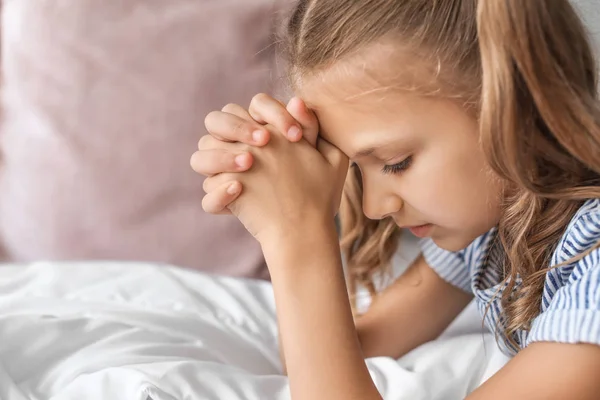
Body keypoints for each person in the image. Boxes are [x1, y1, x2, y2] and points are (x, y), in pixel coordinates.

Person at [190, 0, 600, 398]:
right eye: (354, 168)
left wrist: (297, 233)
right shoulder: (496, 232)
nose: (374, 207)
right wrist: (287, 180)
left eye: (395, 162)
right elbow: (333, 354)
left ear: (516, 106)